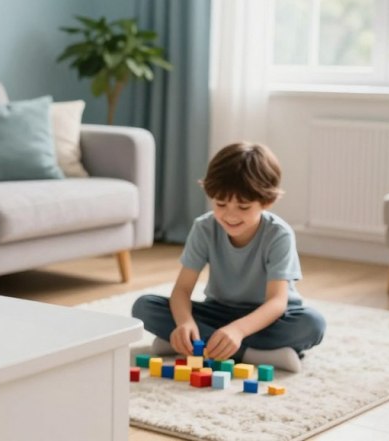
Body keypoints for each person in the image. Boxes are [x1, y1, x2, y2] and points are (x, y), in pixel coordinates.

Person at [131, 142, 326, 373]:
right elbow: (182, 290)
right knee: (144, 307)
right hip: (219, 311)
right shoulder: (204, 228)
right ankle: (253, 353)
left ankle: (197, 345)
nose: (230, 215)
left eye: (243, 207)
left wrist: (238, 331)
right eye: (220, 204)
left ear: (267, 202)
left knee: (313, 324)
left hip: (267, 318)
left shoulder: (278, 234)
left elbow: (276, 302)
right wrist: (185, 323)